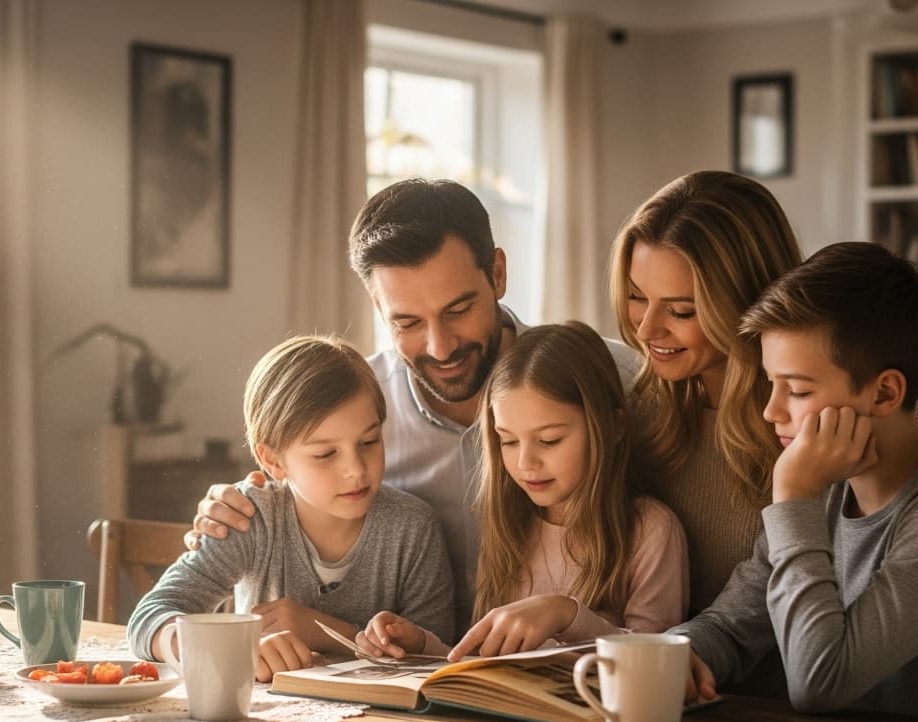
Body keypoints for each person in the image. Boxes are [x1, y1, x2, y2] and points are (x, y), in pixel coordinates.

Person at [192, 179, 640, 631]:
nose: (440, 347)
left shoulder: (615, 380)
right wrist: (240, 507)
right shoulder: (353, 403)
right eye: (407, 321)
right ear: (377, 305)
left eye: (458, 309)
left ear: (498, 274)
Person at [608, 170, 918, 616]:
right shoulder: (638, 408)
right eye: (635, 296)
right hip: (692, 669)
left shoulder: (832, 402)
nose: (646, 330)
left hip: (821, 675)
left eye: (682, 310)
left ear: (747, 300)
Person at [672, 242, 918, 722]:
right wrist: (669, 656)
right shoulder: (829, 492)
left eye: (797, 390)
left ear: (883, 393)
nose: (772, 411)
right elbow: (730, 627)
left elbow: (821, 682)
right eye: (771, 384)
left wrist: (793, 500)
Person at [127, 335, 453, 682]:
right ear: (272, 460)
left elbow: (440, 659)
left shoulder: (413, 528)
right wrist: (231, 647)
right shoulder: (249, 516)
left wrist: (324, 630)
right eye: (326, 454)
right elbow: (149, 617)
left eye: (369, 441)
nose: (356, 469)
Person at [356, 322, 689, 661]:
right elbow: (482, 660)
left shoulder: (652, 530)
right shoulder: (510, 526)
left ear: (613, 427)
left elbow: (653, 662)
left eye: (549, 440)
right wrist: (418, 645)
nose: (526, 463)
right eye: (509, 441)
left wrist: (565, 614)